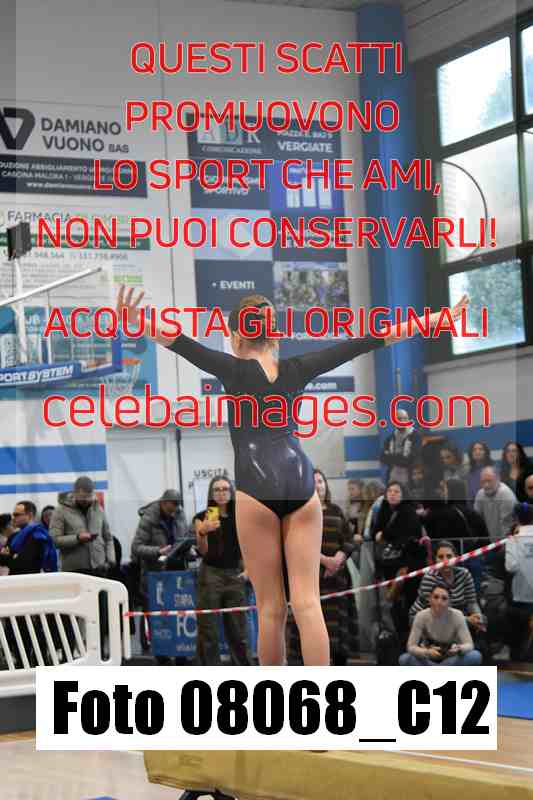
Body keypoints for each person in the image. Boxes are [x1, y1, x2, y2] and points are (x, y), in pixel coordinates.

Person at [118, 285, 469, 666]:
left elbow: (179, 342)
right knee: (307, 602)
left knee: (271, 608)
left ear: (236, 336)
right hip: (300, 479)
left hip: (256, 485)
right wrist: (435, 320)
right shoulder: (298, 368)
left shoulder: (232, 369)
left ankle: (276, 693)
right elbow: (370, 340)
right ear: (274, 335)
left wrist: (137, 323)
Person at [287, 470, 355, 665]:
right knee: (312, 626)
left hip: (338, 580)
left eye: (321, 481)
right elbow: (297, 545)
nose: (318, 485)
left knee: (339, 633)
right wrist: (325, 561)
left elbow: (349, 539)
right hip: (311, 579)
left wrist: (339, 558)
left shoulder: (336, 510)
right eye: (314, 482)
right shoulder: (300, 513)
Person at [193, 476, 251, 666]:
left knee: (239, 631)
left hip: (235, 574)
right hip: (211, 574)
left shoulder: (240, 516)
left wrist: (248, 569)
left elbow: (246, 546)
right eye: (216, 489)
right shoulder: (202, 517)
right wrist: (203, 532)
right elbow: (203, 551)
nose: (221, 493)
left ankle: (244, 670)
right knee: (208, 630)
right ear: (211, 493)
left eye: (225, 489)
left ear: (231, 492)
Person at [409, 541, 483, 633]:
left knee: (482, 620)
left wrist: (478, 617)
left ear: (456, 558)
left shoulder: (464, 574)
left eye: (449, 556)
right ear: (435, 560)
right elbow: (437, 612)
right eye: (440, 557)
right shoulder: (429, 578)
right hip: (426, 618)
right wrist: (467, 620)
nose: (445, 560)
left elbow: (471, 602)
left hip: (455, 616)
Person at [399, 584, 482, 666]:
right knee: (404, 659)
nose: (439, 602)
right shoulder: (421, 616)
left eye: (444, 598)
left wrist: (459, 649)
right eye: (436, 597)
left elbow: (469, 645)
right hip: (428, 659)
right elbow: (411, 647)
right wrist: (426, 652)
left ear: (449, 602)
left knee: (475, 656)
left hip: (450, 659)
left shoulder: (458, 615)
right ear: (429, 599)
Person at [131, 489, 189, 596]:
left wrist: (189, 548)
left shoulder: (179, 513)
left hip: (178, 572)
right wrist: (158, 551)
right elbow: (136, 547)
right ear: (163, 503)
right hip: (155, 574)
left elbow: (185, 537)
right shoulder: (149, 518)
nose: (173, 513)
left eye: (176, 508)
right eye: (170, 510)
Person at [505, 502, 533, 660]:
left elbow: (511, 566)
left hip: (522, 595)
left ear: (517, 519)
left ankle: (518, 661)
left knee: (520, 635)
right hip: (523, 594)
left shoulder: (514, 539)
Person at [379, 408, 422, 485]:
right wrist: (400, 458)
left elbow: (411, 459)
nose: (402, 421)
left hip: (409, 477)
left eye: (404, 418)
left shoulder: (415, 436)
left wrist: (391, 457)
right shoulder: (390, 438)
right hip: (392, 476)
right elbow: (383, 458)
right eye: (399, 419)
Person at [474, 467, 517, 541]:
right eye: (483, 482)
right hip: (490, 541)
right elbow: (477, 521)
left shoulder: (505, 494)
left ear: (498, 479)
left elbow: (507, 525)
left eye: (489, 481)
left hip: (506, 541)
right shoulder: (480, 494)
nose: (486, 485)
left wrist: (501, 545)